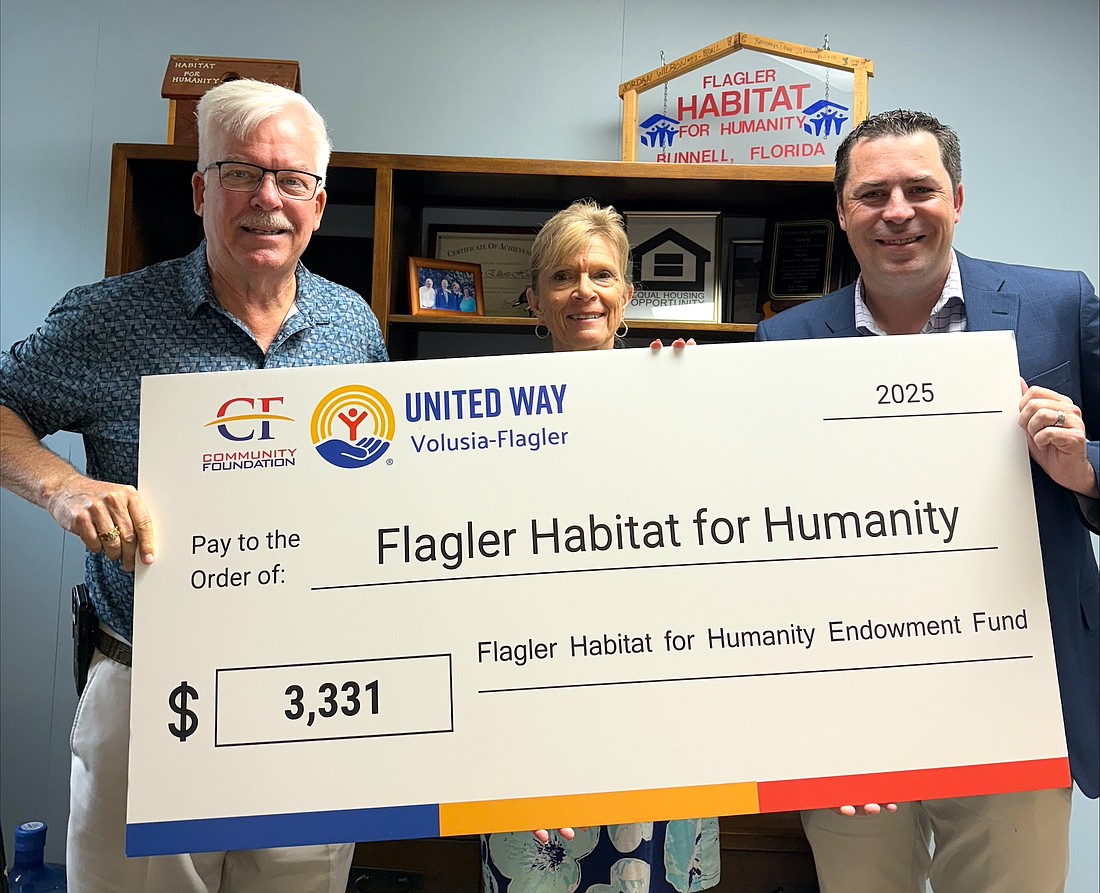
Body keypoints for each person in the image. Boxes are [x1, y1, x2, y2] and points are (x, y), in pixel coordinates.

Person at [0, 78, 388, 893]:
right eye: (241, 173)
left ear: (319, 201)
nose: (267, 200)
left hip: (310, 690)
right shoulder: (111, 317)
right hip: (149, 682)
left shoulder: (352, 324)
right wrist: (63, 487)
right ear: (200, 189)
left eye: (291, 180)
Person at [755, 109, 1098, 893]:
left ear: (959, 198)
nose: (898, 211)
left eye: (920, 188)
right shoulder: (785, 344)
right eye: (872, 194)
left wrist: (1083, 468)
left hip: (1018, 694)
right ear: (842, 212)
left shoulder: (1057, 304)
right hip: (852, 703)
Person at [480, 200, 720, 893]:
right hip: (531, 701)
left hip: (660, 701)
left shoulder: (680, 397)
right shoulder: (489, 414)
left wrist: (695, 407)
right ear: (534, 300)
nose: (583, 290)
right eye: (562, 276)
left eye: (601, 274)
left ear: (627, 295)